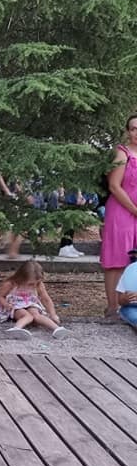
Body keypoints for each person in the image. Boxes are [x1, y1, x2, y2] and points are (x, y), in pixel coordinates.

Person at [99, 114, 137, 317]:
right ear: (128, 132)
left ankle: (130, 304)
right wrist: (134, 210)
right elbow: (114, 186)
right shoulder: (122, 153)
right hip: (121, 211)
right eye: (134, 128)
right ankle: (112, 308)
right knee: (117, 259)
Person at [0, 260, 70, 340]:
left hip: (30, 303)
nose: (34, 285)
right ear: (22, 278)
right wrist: (6, 304)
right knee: (27, 316)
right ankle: (16, 328)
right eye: (31, 284)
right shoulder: (11, 284)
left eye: (37, 283)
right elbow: (0, 296)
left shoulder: (38, 285)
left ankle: (57, 328)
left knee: (36, 314)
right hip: (15, 305)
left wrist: (53, 314)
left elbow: (46, 299)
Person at [115, 248, 137, 330]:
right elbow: (120, 301)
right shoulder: (129, 273)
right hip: (131, 307)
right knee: (131, 314)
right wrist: (125, 298)